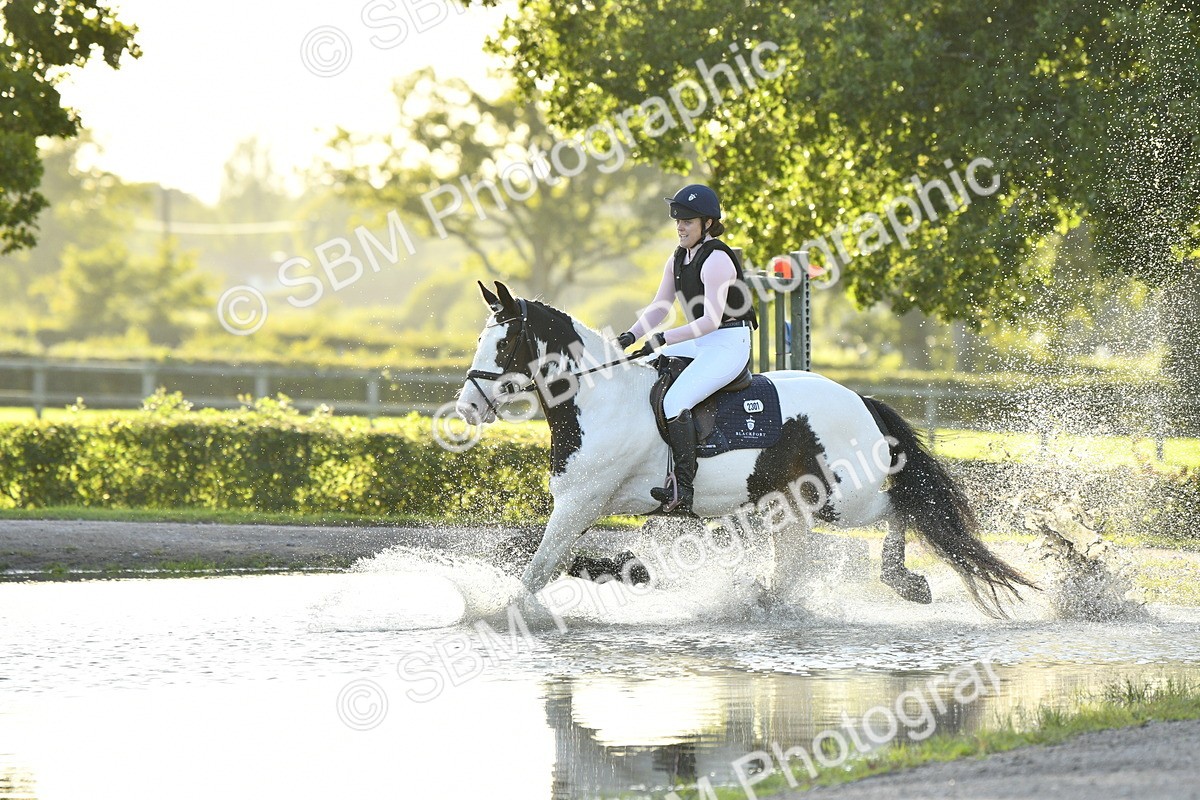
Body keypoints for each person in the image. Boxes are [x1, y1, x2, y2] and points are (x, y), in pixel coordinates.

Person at [614, 184, 757, 515]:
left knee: (677, 400)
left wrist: (665, 338)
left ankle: (684, 490)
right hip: (704, 341)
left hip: (729, 343)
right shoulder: (679, 257)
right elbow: (660, 306)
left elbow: (710, 320)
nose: (680, 227)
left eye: (688, 221)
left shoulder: (717, 259)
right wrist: (630, 336)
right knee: (645, 365)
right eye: (678, 220)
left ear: (707, 223)